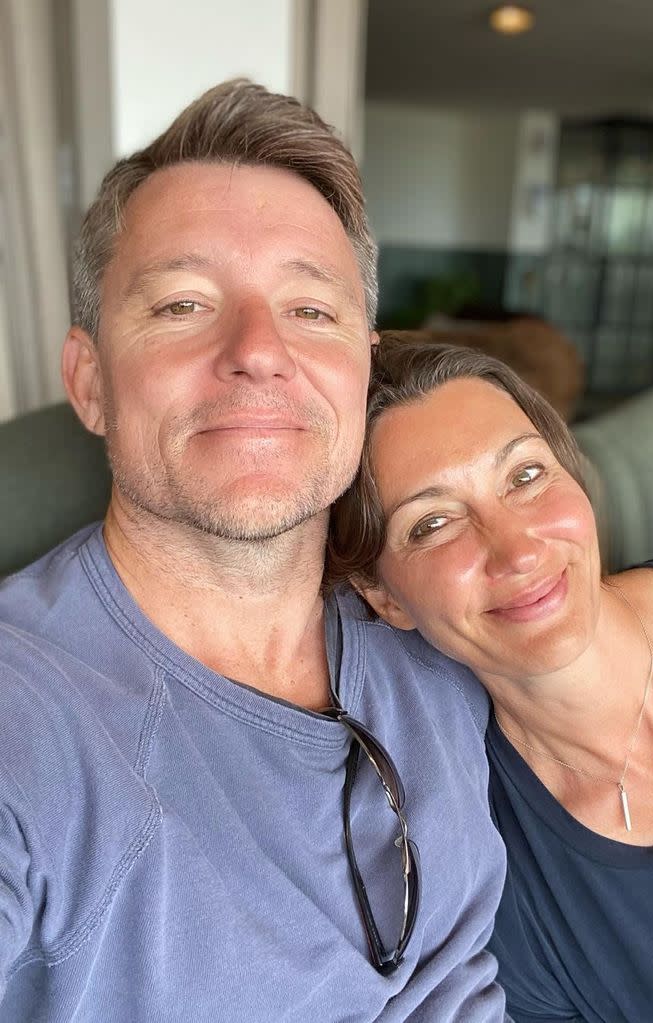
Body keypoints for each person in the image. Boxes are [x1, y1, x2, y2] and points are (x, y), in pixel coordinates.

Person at [0, 83, 509, 1021]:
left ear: (363, 367)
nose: (257, 351)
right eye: (184, 303)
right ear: (89, 382)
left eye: (311, 310)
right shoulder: (24, 719)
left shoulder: (435, 634)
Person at [328, 332, 653, 1023]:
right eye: (433, 523)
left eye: (525, 476)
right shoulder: (480, 870)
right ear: (381, 595)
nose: (517, 549)